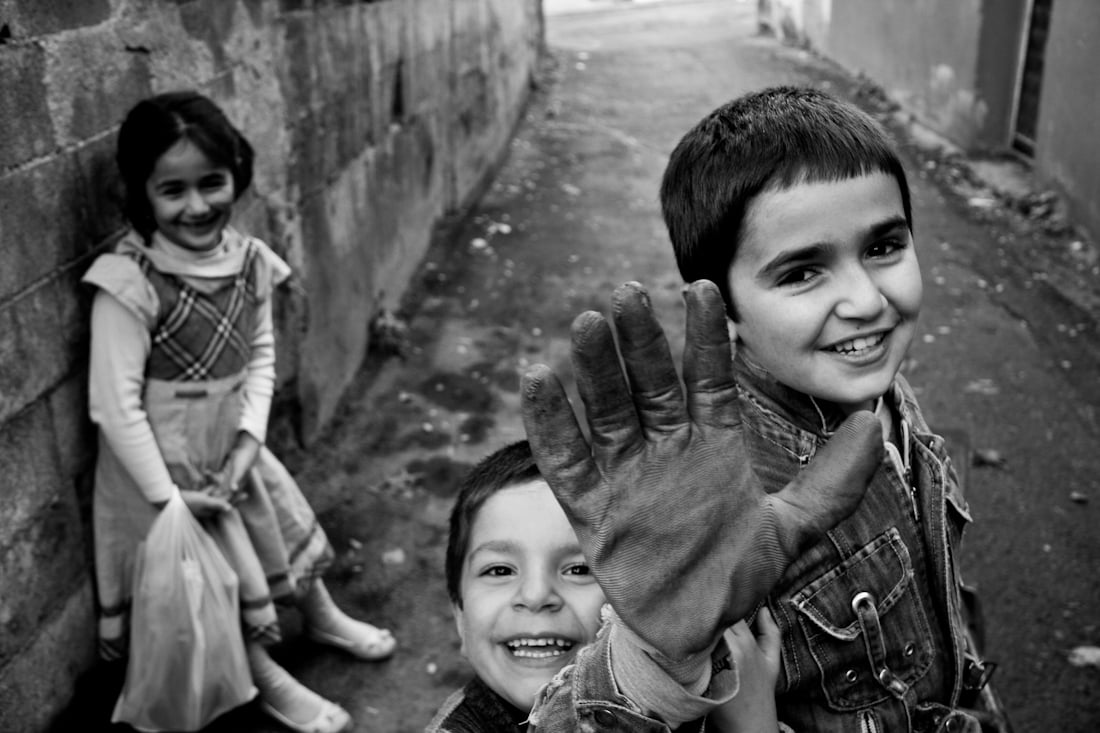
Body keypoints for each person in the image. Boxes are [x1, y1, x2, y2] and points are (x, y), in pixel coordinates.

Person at [520, 86, 1003, 732]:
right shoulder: (714, 498)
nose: (865, 299)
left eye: (884, 246)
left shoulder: (879, 387)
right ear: (724, 307)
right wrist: (657, 662)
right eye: (803, 272)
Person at [83, 90, 396, 733]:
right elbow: (113, 408)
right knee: (216, 576)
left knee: (279, 526)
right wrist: (166, 498)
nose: (196, 205)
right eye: (172, 190)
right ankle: (268, 679)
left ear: (237, 175)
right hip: (161, 476)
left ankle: (324, 617)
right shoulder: (128, 281)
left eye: (212, 182)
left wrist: (251, 436)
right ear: (142, 192)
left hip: (232, 447)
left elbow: (259, 353)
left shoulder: (249, 260)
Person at [426, 440, 782, 733]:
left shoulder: (719, 688)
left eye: (580, 569)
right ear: (459, 615)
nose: (535, 596)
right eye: (500, 570)